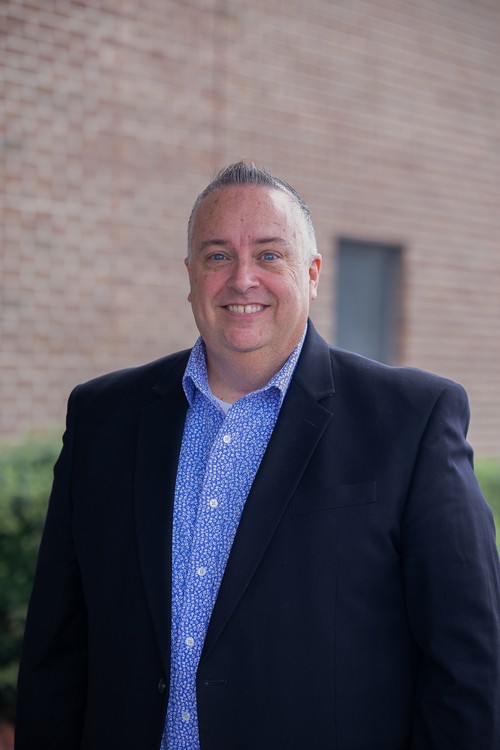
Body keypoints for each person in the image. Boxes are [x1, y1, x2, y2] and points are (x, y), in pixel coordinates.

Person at [16, 161, 500, 750]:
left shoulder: (412, 419)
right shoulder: (102, 418)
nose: (242, 278)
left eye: (270, 254)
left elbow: (467, 662)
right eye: (218, 255)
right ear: (190, 276)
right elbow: (56, 649)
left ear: (312, 273)